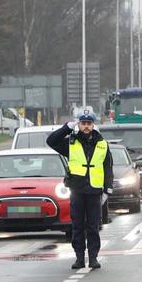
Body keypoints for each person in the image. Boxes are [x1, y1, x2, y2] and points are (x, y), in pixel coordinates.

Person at [47, 111, 113, 270]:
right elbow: (51, 141)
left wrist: (107, 189)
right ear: (79, 125)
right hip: (77, 190)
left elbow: (107, 167)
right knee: (77, 226)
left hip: (95, 191)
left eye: (89, 124)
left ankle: (93, 258)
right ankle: (79, 258)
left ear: (93, 125)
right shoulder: (71, 142)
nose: (86, 127)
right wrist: (66, 128)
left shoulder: (102, 143)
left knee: (93, 226)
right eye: (83, 123)